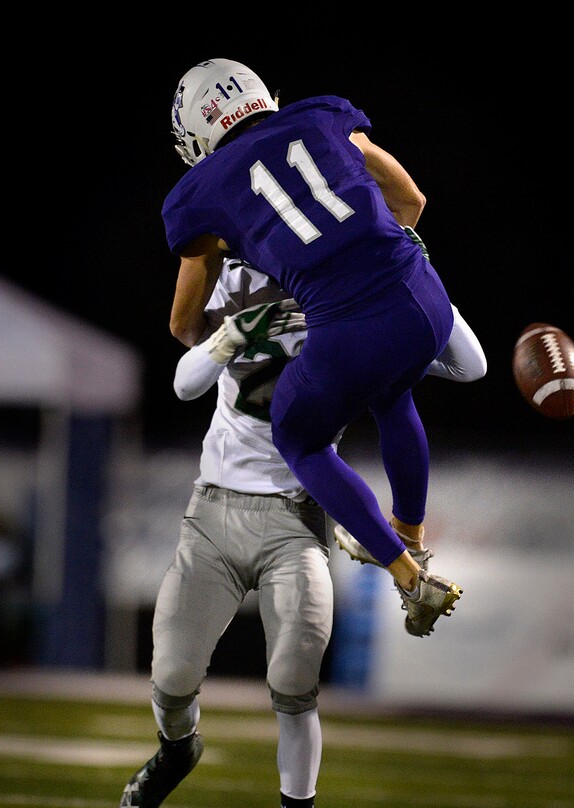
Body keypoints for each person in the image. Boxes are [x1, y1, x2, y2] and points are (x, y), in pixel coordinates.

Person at [119, 257, 486, 808]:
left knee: (294, 679)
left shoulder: (357, 280)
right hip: (213, 512)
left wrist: (411, 266)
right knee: (171, 677)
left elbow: (469, 365)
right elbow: (185, 382)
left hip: (297, 518)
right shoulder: (235, 278)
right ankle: (177, 746)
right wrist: (229, 336)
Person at [164, 57, 480, 641]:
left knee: (298, 436)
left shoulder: (198, 194)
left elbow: (185, 324)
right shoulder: (323, 116)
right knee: (394, 393)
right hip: (423, 296)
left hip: (348, 324)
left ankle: (410, 577)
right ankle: (409, 532)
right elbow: (411, 202)